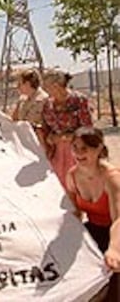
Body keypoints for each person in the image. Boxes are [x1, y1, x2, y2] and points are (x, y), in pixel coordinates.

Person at [66, 127, 120, 301]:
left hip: (116, 232)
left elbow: (118, 219)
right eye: (75, 147)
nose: (79, 153)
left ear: (98, 149)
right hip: (94, 229)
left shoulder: (111, 177)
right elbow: (75, 213)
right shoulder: (72, 175)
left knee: (113, 270)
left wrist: (114, 249)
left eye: (85, 148)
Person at [42, 69, 93, 189]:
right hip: (58, 153)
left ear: (56, 86)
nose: (46, 91)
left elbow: (88, 128)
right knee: (60, 186)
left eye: (47, 87)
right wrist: (51, 138)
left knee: (79, 185)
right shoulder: (48, 105)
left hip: (78, 151)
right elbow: (47, 129)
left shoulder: (79, 100)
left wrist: (70, 137)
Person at [11, 69, 49, 148]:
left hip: (39, 144)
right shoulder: (22, 100)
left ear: (27, 84)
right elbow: (14, 120)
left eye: (20, 84)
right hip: (24, 142)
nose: (17, 87)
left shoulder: (44, 99)